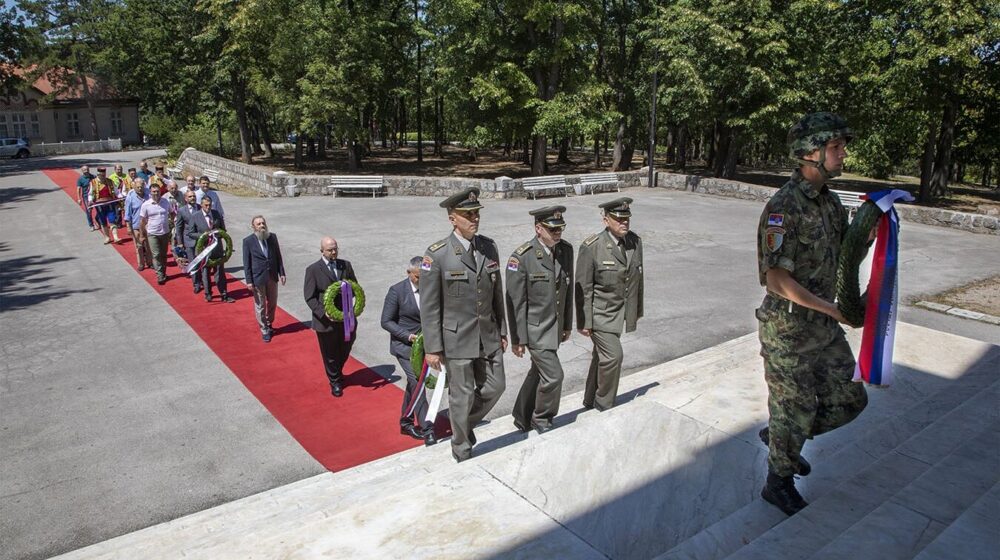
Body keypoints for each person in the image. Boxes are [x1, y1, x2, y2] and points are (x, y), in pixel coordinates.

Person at [755, 112, 869, 516]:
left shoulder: (830, 203)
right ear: (809, 153)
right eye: (835, 147)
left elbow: (842, 259)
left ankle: (784, 437)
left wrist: (871, 232)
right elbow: (776, 281)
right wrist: (832, 310)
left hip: (823, 327)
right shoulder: (783, 208)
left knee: (851, 400)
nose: (842, 154)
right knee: (796, 407)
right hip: (787, 331)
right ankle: (778, 482)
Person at [419, 187, 506, 462]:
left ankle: (462, 426)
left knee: (496, 385)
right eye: (467, 214)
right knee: (462, 394)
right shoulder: (438, 255)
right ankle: (461, 448)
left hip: (488, 335)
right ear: (452, 219)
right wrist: (433, 347)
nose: (474, 218)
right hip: (456, 339)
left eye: (476, 213)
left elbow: (497, 293)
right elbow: (430, 306)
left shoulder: (488, 247)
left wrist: (502, 330)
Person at [506, 206, 574, 434]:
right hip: (534, 330)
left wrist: (566, 325)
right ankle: (541, 418)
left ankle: (521, 416)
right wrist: (518, 339)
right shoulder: (522, 257)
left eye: (560, 228)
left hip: (554, 329)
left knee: (538, 373)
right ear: (538, 228)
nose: (558, 233)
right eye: (552, 229)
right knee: (554, 376)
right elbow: (516, 302)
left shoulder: (565, 251)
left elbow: (567, 291)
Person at [575, 197, 644, 412]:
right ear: (606, 220)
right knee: (613, 357)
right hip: (600, 315)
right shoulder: (592, 247)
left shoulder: (635, 242)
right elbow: (583, 288)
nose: (624, 223)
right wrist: (584, 321)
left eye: (627, 219)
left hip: (620, 312)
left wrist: (635, 311)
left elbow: (637, 279)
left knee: (601, 358)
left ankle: (589, 399)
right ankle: (604, 404)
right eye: (618, 219)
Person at [381, 256, 435, 443]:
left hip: (427, 347)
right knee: (418, 383)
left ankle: (406, 421)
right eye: (418, 277)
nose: (421, 281)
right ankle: (427, 428)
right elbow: (386, 321)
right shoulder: (397, 291)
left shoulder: (430, 288)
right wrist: (408, 336)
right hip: (405, 347)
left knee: (414, 384)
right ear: (409, 273)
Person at [304, 237, 358, 397]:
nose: (334, 252)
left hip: (345, 316)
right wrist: (323, 312)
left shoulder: (345, 265)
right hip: (325, 320)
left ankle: (337, 371)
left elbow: (355, 286)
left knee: (347, 344)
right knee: (329, 353)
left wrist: (352, 297)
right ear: (322, 251)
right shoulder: (313, 270)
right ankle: (335, 381)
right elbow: (309, 297)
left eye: (335, 249)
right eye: (330, 250)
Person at [242, 215, 286, 342]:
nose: (262, 226)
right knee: (260, 304)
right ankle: (264, 329)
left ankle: (269, 322)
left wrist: (281, 273)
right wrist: (249, 281)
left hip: (272, 275)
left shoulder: (272, 237)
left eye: (263, 223)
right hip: (258, 277)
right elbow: (247, 262)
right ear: (253, 227)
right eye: (258, 224)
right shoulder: (248, 241)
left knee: (272, 302)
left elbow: (278, 256)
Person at [186, 197, 233, 302]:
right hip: (204, 250)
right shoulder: (195, 216)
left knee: (220, 273)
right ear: (201, 205)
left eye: (209, 205)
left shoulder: (216, 214)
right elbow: (190, 233)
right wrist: (203, 236)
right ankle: (208, 293)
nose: (208, 207)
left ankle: (224, 294)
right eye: (206, 205)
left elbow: (223, 229)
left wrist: (217, 234)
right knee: (205, 272)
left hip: (217, 249)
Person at [138, 183, 175, 285]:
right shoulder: (146, 205)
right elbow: (142, 221)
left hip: (165, 232)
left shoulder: (165, 202)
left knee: (163, 255)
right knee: (156, 254)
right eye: (154, 191)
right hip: (152, 233)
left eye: (157, 191)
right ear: (150, 192)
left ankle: (163, 272)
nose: (156, 193)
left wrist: (173, 223)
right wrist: (141, 235)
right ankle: (159, 275)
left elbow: (172, 212)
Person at [175, 189, 203, 294]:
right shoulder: (182, 210)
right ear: (186, 199)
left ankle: (203, 281)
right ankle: (196, 284)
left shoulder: (200, 208)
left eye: (194, 196)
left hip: (200, 240)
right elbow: (179, 227)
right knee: (193, 263)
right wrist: (180, 242)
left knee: (202, 262)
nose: (193, 198)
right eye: (190, 196)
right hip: (188, 240)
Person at [124, 179, 152, 271]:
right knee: (139, 245)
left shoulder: (148, 194)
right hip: (136, 225)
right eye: (138, 187)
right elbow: (127, 213)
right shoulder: (130, 196)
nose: (140, 189)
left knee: (148, 245)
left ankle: (150, 262)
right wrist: (128, 226)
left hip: (148, 225)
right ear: (134, 187)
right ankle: (141, 263)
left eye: (141, 187)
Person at [89, 167, 121, 244]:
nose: (103, 177)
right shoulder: (93, 182)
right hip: (99, 205)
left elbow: (117, 192)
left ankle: (116, 237)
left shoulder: (110, 181)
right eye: (101, 175)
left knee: (112, 220)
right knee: (103, 221)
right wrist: (90, 200)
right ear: (98, 174)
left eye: (104, 175)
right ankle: (107, 237)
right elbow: (90, 194)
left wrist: (120, 197)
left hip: (110, 203)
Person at [75, 165, 95, 230]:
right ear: (82, 171)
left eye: (87, 170)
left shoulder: (93, 177)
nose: (86, 171)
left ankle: (98, 220)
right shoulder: (80, 179)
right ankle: (91, 225)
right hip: (86, 196)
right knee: (89, 211)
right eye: (84, 170)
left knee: (99, 208)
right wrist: (79, 198)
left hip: (94, 195)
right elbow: (78, 189)